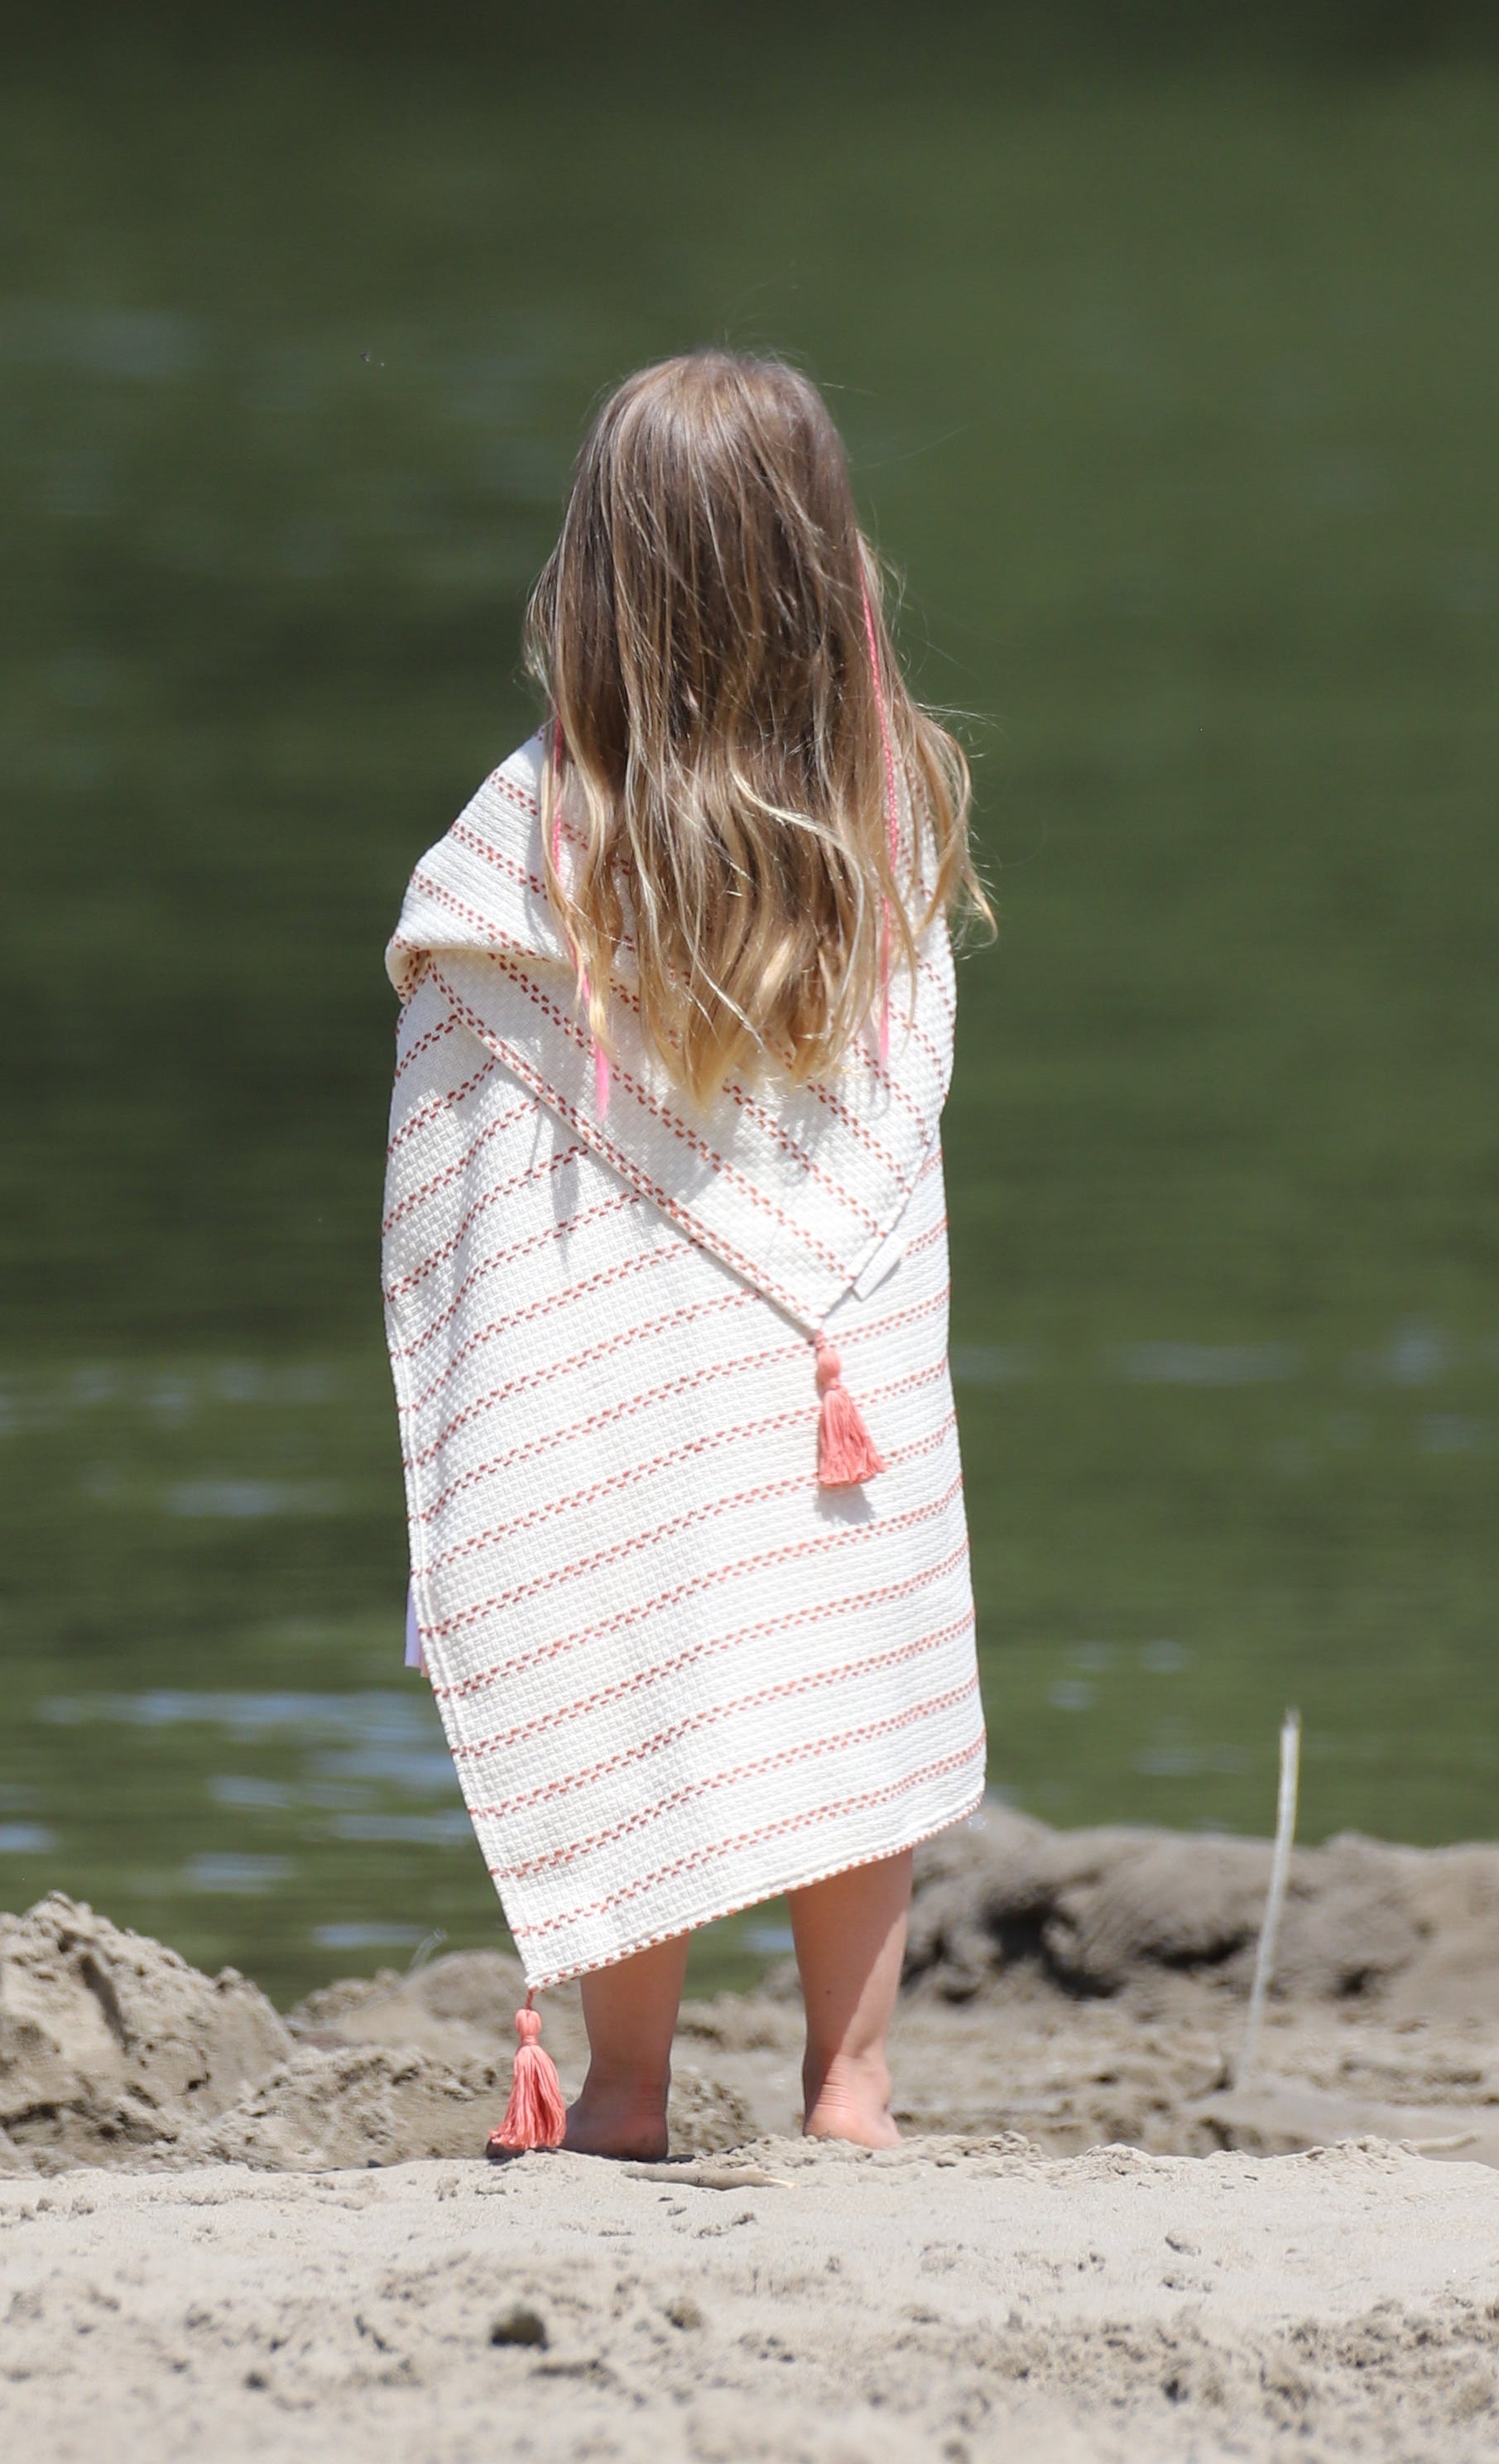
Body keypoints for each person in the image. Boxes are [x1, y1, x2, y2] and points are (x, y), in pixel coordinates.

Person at [382, 349, 992, 2157]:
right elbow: (893, 1088)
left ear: (596, 574)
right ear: (829, 566)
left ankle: (629, 2090)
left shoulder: (539, 834)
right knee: (846, 1640)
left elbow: (461, 1099)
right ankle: (851, 2083)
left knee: (616, 1610)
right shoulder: (887, 808)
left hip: (618, 1319)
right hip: (842, 1355)